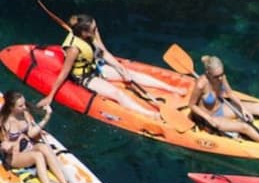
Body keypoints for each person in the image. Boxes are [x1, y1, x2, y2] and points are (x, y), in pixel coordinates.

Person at [37, 14, 185, 118]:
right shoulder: (74, 49)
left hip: (96, 67)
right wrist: (50, 96)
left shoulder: (91, 32)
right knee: (117, 93)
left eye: (95, 27)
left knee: (131, 74)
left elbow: (104, 53)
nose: (96, 30)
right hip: (85, 77)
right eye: (93, 29)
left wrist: (121, 68)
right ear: (84, 33)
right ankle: (149, 114)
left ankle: (173, 89)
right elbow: (65, 72)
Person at [188, 55, 259, 144]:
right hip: (210, 118)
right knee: (244, 127)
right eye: (216, 76)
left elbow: (230, 93)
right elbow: (192, 105)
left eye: (221, 74)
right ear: (208, 73)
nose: (220, 78)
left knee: (258, 107)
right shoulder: (201, 84)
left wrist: (243, 108)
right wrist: (208, 118)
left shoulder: (221, 77)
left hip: (222, 109)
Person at [0, 91, 71, 183]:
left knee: (43, 147)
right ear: (11, 107)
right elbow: (4, 145)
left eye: (24, 104)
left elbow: (31, 133)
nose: (24, 107)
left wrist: (46, 118)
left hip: (27, 148)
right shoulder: (3, 122)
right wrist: (9, 145)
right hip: (14, 157)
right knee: (37, 156)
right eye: (20, 106)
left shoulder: (24, 114)